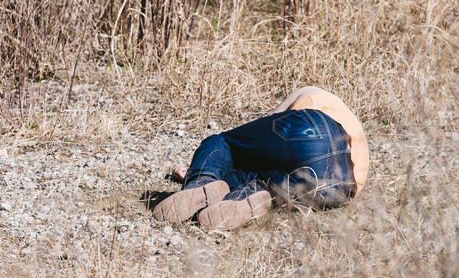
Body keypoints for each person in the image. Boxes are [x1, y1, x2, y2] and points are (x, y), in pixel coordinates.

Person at [153, 86, 369, 230]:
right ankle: (247, 197)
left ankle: (202, 179)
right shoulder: (356, 135)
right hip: (337, 187)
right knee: (267, 182)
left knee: (224, 142)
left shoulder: (308, 92)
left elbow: (262, 136)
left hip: (313, 127)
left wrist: (198, 166)